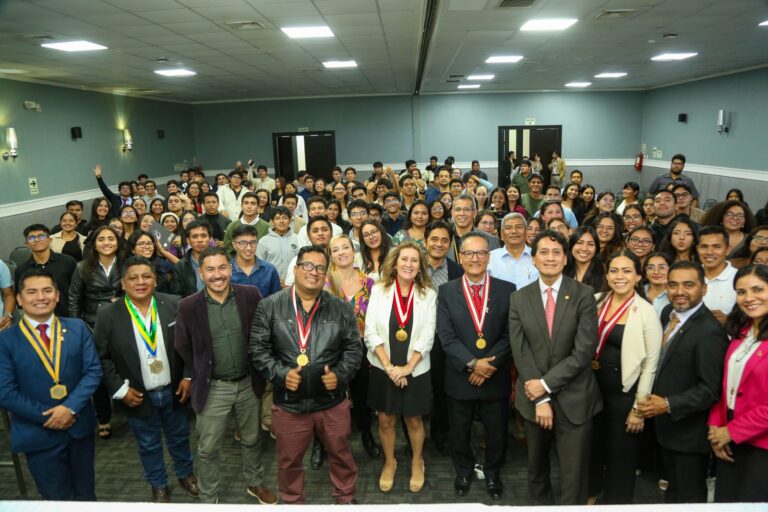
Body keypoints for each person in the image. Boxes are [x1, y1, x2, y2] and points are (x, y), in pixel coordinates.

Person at [250, 245, 363, 504]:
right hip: (289, 404)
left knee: (342, 455)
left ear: (326, 273)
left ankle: (346, 498)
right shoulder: (269, 306)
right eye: (308, 266)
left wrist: (341, 374)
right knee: (289, 462)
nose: (314, 272)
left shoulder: (341, 308)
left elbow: (354, 349)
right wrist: (280, 374)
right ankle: (292, 502)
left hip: (332, 403)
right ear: (296, 268)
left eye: (320, 268)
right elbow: (258, 350)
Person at [174, 247, 276, 504]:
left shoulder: (250, 295)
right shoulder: (188, 306)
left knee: (252, 440)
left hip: (248, 383)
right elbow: (182, 345)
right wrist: (201, 369)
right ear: (201, 273)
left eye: (222, 268)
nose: (217, 275)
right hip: (212, 387)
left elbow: (264, 332)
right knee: (208, 448)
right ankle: (209, 497)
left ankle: (254, 482)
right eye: (210, 269)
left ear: (231, 269)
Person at [93, 256, 198, 502]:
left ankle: (185, 474)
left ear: (155, 279)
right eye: (133, 278)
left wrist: (189, 375)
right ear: (123, 282)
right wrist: (119, 389)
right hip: (137, 394)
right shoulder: (108, 314)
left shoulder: (175, 304)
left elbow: (192, 344)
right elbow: (102, 357)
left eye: (146, 276)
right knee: (148, 443)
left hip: (175, 389)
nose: (140, 282)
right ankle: (158, 483)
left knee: (181, 437)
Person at [509, 229, 602, 505]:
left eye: (556, 252)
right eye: (544, 252)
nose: (550, 258)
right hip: (533, 399)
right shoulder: (519, 298)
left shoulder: (584, 295)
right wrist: (541, 397)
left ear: (565, 260)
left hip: (575, 398)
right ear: (533, 259)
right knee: (537, 470)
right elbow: (520, 351)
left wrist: (545, 385)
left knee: (574, 476)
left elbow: (583, 352)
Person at [0, 268, 102, 500]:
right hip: (37, 432)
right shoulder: (5, 340)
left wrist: (69, 408)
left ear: (57, 296)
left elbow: (93, 372)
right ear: (18, 299)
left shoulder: (77, 328)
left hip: (78, 427)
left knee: (86, 496)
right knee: (55, 499)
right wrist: (50, 416)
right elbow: (5, 392)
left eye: (47, 291)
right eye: (32, 292)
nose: (41, 297)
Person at [637, 261, 728, 503]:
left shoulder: (709, 332)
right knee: (673, 496)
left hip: (689, 435)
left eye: (689, 285)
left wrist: (667, 404)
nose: (680, 292)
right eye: (673, 285)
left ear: (704, 289)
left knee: (688, 497)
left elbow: (710, 389)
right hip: (667, 430)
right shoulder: (670, 314)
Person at [438, 232, 516, 500]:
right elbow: (446, 336)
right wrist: (472, 364)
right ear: (460, 256)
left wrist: (486, 366)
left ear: (489, 256)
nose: (475, 258)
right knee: (459, 430)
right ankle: (463, 470)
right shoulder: (446, 291)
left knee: (496, 430)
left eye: (481, 253)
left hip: (495, 374)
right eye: (469, 253)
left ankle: (493, 472)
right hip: (461, 375)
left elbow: (509, 335)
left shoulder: (507, 289)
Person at [588, 251, 662, 504]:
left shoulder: (646, 311)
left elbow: (651, 365)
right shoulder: (596, 301)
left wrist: (638, 409)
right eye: (614, 271)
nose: (620, 276)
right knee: (593, 450)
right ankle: (591, 497)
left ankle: (616, 505)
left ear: (638, 276)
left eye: (627, 271)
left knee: (621, 457)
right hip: (592, 391)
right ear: (606, 275)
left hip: (624, 395)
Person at [365, 242, 436, 494]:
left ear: (420, 266)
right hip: (383, 366)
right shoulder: (379, 289)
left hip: (415, 368)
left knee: (414, 419)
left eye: (414, 260)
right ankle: (389, 461)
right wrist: (390, 367)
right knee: (385, 420)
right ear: (394, 263)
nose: (408, 264)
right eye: (404, 259)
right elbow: (370, 332)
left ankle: (417, 460)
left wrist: (406, 368)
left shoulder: (428, 294)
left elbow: (428, 336)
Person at [708, 264, 768, 502]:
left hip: (761, 445)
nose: (749, 298)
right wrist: (716, 429)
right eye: (741, 292)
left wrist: (730, 431)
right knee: (725, 502)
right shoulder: (741, 331)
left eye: (758, 289)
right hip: (728, 437)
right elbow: (726, 385)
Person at [324, 235, 380, 458]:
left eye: (345, 247)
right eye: (335, 249)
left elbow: (377, 317)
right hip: (329, 349)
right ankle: (321, 443)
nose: (341, 252)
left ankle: (367, 433)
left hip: (361, 347)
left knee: (362, 393)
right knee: (327, 395)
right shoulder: (324, 281)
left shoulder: (370, 283)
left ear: (353, 250)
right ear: (331, 255)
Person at [69, 225, 123, 439]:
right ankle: (103, 417)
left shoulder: (127, 264)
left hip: (122, 322)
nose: (107, 242)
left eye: (111, 238)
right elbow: (74, 299)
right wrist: (77, 328)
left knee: (126, 367)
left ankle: (132, 408)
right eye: (102, 239)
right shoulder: (82, 267)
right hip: (93, 325)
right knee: (98, 372)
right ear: (94, 243)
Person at [424, 220, 463, 452]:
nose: (439, 244)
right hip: (415, 339)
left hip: (444, 339)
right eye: (434, 239)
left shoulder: (457, 270)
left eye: (444, 240)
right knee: (416, 390)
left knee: (441, 390)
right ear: (425, 241)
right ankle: (414, 438)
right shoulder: (413, 267)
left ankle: (440, 435)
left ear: (450, 244)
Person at [15, 224, 77, 318]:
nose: (37, 240)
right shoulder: (21, 270)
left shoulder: (68, 262)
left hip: (68, 318)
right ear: (26, 244)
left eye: (41, 236)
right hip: (37, 321)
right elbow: (21, 301)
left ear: (50, 239)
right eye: (32, 238)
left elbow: (77, 293)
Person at [697, 226, 738, 325]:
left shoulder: (739, 278)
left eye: (716, 247)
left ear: (728, 249)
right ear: (697, 249)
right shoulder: (690, 275)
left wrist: (729, 322)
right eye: (704, 247)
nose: (709, 252)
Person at [488, 212, 539, 289]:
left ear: (526, 232)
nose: (514, 231)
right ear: (501, 234)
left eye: (518, 227)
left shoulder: (537, 256)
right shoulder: (490, 258)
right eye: (508, 228)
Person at [229, 224, 281, 298]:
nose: (249, 248)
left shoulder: (269, 270)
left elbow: (277, 300)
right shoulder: (226, 270)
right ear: (234, 245)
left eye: (253, 243)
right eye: (243, 243)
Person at [256, 206, 299, 284]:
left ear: (289, 221)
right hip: (269, 283)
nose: (281, 221)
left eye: (285, 218)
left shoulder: (298, 239)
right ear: (272, 221)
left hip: (293, 284)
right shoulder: (264, 241)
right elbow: (259, 265)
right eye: (277, 218)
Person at [172, 220, 212, 298]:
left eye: (203, 236)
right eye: (194, 236)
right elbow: (178, 296)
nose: (199, 240)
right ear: (188, 240)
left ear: (210, 239)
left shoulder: (221, 261)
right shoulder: (180, 267)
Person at [222, 192, 271, 256]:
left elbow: (269, 249)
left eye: (253, 203)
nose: (249, 206)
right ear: (241, 206)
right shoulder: (232, 226)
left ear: (258, 208)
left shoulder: (267, 227)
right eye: (246, 203)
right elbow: (227, 247)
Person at [565, 226, 605, 292]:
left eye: (590, 244)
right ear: (571, 245)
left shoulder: (605, 273)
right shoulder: (561, 271)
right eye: (579, 243)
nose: (584, 248)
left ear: (596, 248)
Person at [644, 252, 673, 316]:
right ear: (645, 272)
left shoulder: (675, 294)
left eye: (662, 267)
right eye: (651, 267)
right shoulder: (638, 292)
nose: (656, 272)